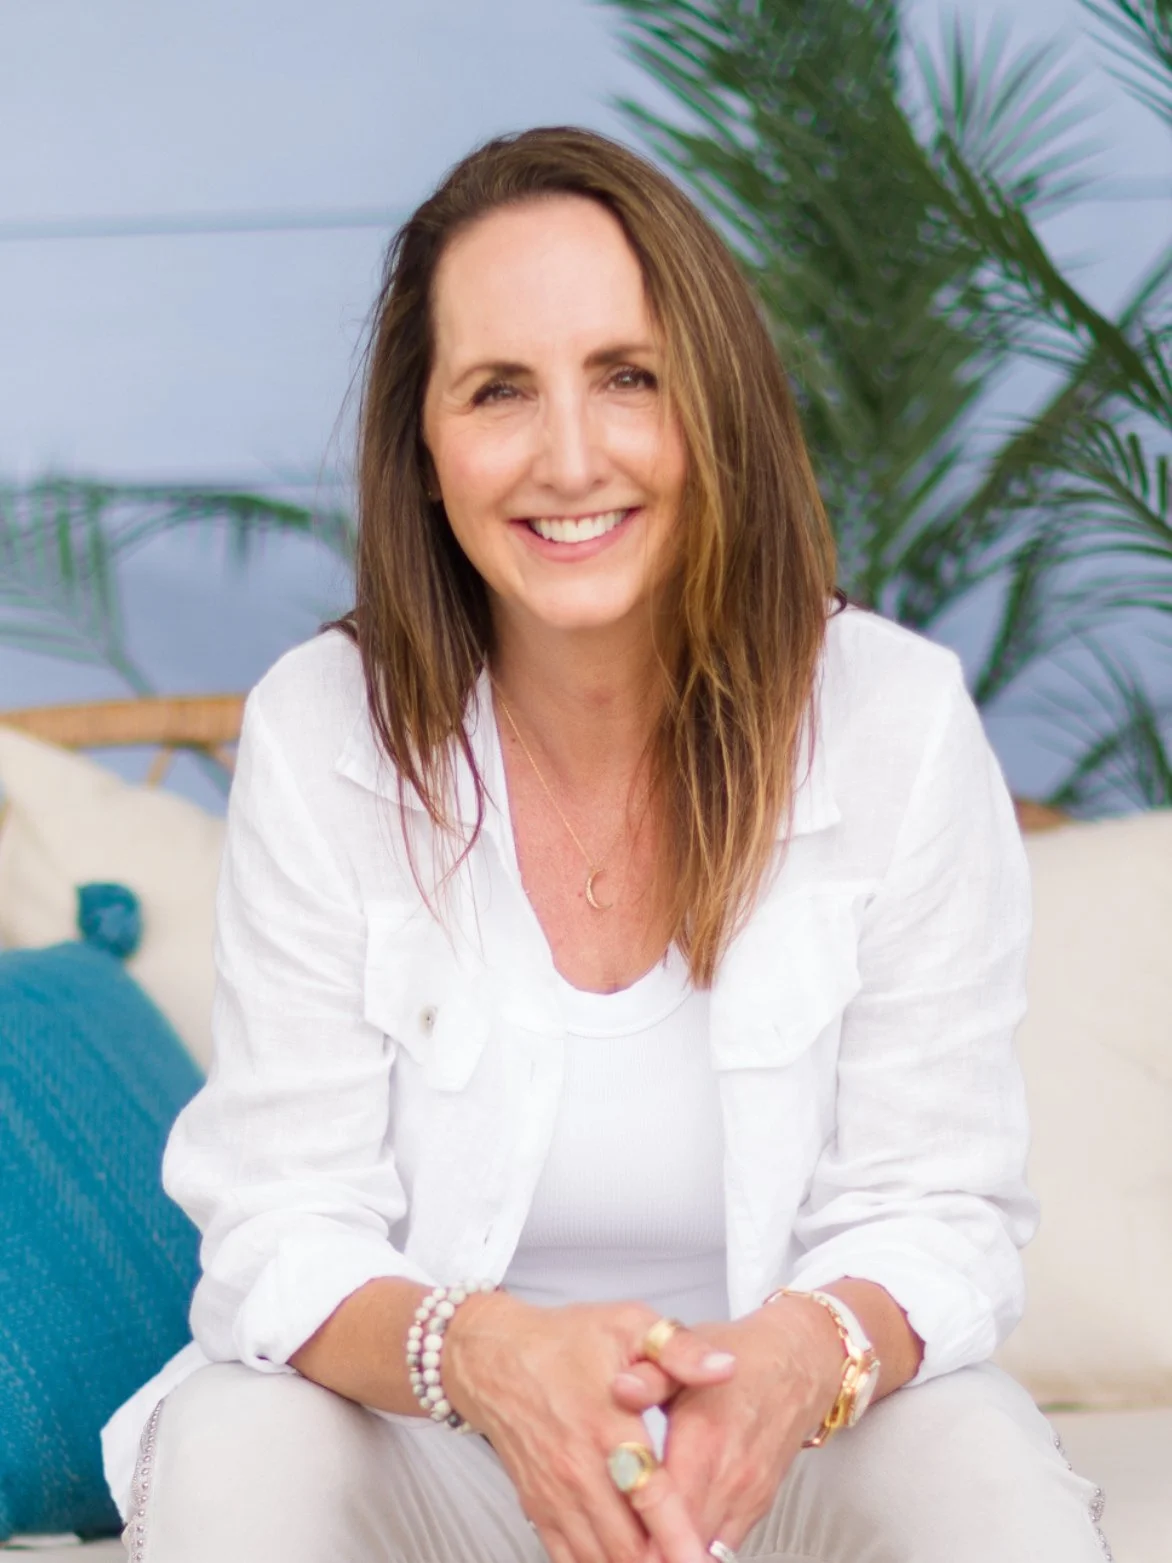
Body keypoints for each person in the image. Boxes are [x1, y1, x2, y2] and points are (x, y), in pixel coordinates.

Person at [102, 127, 1111, 1563]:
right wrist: (493, 1361)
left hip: (786, 1446)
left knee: (974, 1462)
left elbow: (935, 1205)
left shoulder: (896, 719)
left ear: (714, 405)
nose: (570, 457)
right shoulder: (323, 729)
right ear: (425, 446)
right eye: (498, 390)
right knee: (237, 1438)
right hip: (441, 1447)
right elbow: (282, 1224)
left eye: (628, 376)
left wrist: (787, 1363)